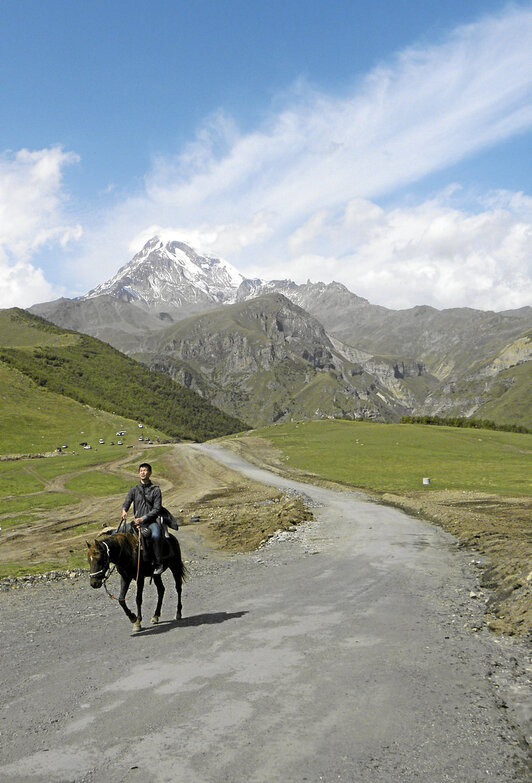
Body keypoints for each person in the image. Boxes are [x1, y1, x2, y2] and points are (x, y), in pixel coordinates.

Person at [121, 462, 164, 575]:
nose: (142, 472)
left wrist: (143, 518)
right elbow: (127, 502)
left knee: (156, 536)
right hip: (136, 522)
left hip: (151, 522)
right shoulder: (134, 489)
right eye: (141, 471)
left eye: (145, 470)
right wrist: (124, 510)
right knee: (119, 532)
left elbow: (157, 509)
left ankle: (158, 564)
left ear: (150, 473)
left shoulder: (155, 490)